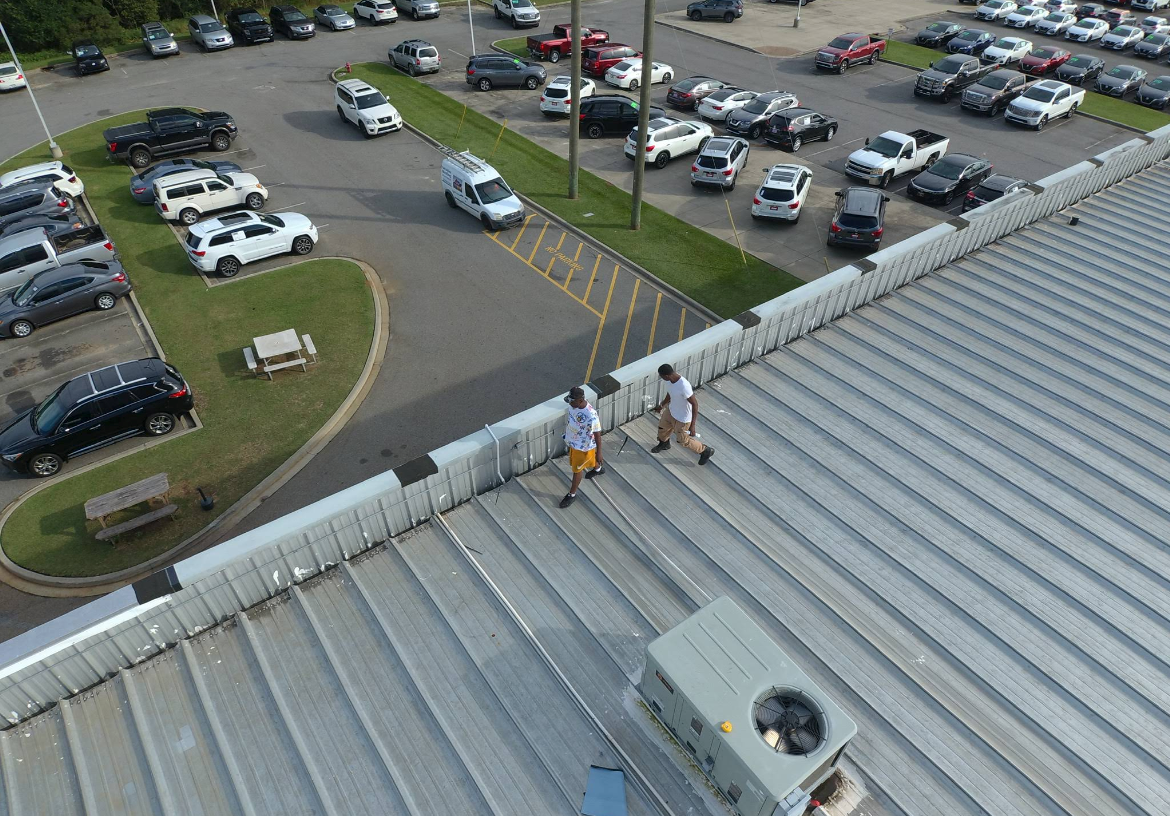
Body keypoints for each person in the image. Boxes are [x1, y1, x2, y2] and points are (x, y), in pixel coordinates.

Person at [651, 364, 715, 465]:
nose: (661, 378)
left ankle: (705, 450)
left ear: (667, 375)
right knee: (663, 428)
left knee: (682, 440)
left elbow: (695, 404)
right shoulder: (669, 381)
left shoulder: (684, 386)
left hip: (683, 418)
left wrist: (692, 425)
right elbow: (670, 393)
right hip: (671, 411)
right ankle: (664, 444)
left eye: (661, 376)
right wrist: (662, 405)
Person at [560, 386, 604, 508]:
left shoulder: (591, 415)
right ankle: (598, 469)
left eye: (572, 401)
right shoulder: (574, 405)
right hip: (574, 442)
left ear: (580, 400)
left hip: (583, 446)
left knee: (577, 470)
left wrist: (599, 452)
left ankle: (572, 494)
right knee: (587, 461)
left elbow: (597, 434)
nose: (570, 404)